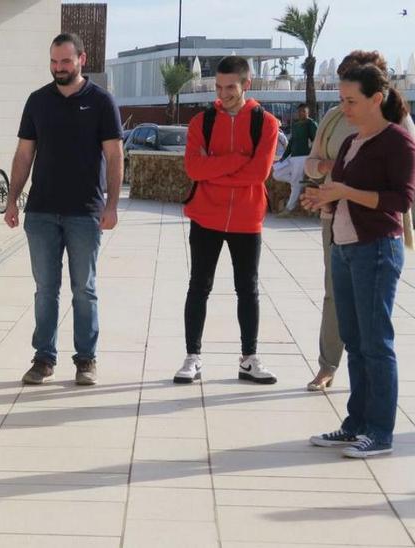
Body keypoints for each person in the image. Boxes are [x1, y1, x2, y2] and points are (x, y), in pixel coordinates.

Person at [304, 64, 415, 458]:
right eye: (341, 101)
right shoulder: (352, 143)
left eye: (351, 101)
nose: (344, 109)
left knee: (376, 343)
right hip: (344, 247)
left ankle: (380, 433)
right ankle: (356, 425)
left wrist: (346, 190)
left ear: (376, 99)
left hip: (377, 250)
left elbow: (400, 202)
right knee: (354, 340)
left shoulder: (398, 142)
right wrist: (324, 197)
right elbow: (344, 191)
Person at [6, 33, 123, 386]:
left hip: (85, 212)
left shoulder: (102, 102)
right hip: (41, 211)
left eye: (66, 62)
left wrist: (112, 204)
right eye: (54, 62)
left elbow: (114, 155)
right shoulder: (38, 101)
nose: (59, 68)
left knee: (84, 289)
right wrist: (12, 199)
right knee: (45, 289)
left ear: (82, 60)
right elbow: (24, 153)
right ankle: (43, 358)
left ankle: (85, 360)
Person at [173, 56, 281, 385]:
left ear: (246, 84)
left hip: (248, 219)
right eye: (218, 87)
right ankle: (193, 357)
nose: (223, 94)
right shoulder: (200, 123)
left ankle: (249, 359)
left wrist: (215, 168)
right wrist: (236, 161)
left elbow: (259, 173)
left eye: (230, 87)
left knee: (247, 290)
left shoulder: (266, 123)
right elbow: (194, 169)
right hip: (206, 217)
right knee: (198, 287)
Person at [275, 104, 318, 214]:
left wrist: (314, 155)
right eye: (299, 111)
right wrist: (284, 157)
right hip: (292, 156)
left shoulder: (310, 123)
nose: (301, 113)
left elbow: (317, 140)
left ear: (307, 112)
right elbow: (291, 143)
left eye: (304, 111)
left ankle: (289, 209)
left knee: (295, 184)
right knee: (277, 173)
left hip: (303, 157)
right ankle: (298, 183)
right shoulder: (295, 125)